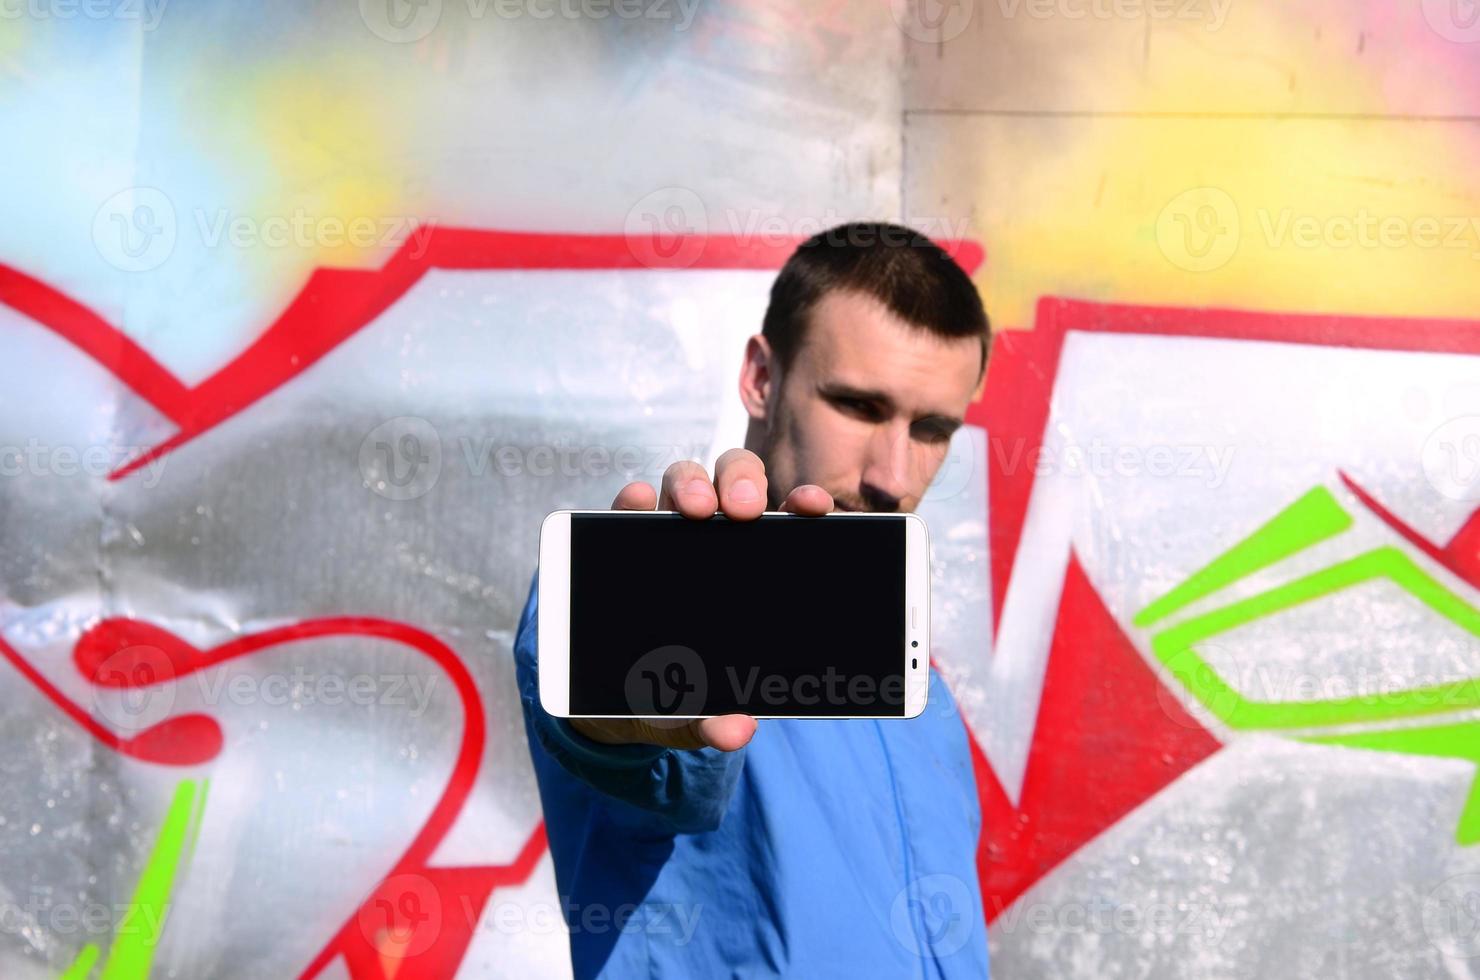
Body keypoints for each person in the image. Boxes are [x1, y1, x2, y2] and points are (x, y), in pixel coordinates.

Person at [513, 222, 992, 978]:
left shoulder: (917, 691)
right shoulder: (642, 590)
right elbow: (621, 734)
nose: (894, 476)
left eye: (931, 428)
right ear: (762, 380)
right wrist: (638, 701)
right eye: (861, 407)